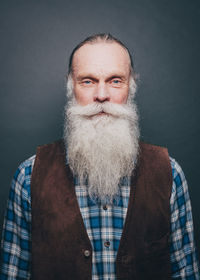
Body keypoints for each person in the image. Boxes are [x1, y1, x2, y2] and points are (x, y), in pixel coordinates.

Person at [0, 33, 199, 280]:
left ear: (131, 87)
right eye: (88, 81)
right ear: (70, 87)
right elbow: (13, 274)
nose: (102, 95)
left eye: (115, 81)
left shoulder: (170, 173)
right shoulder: (28, 176)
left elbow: (185, 273)